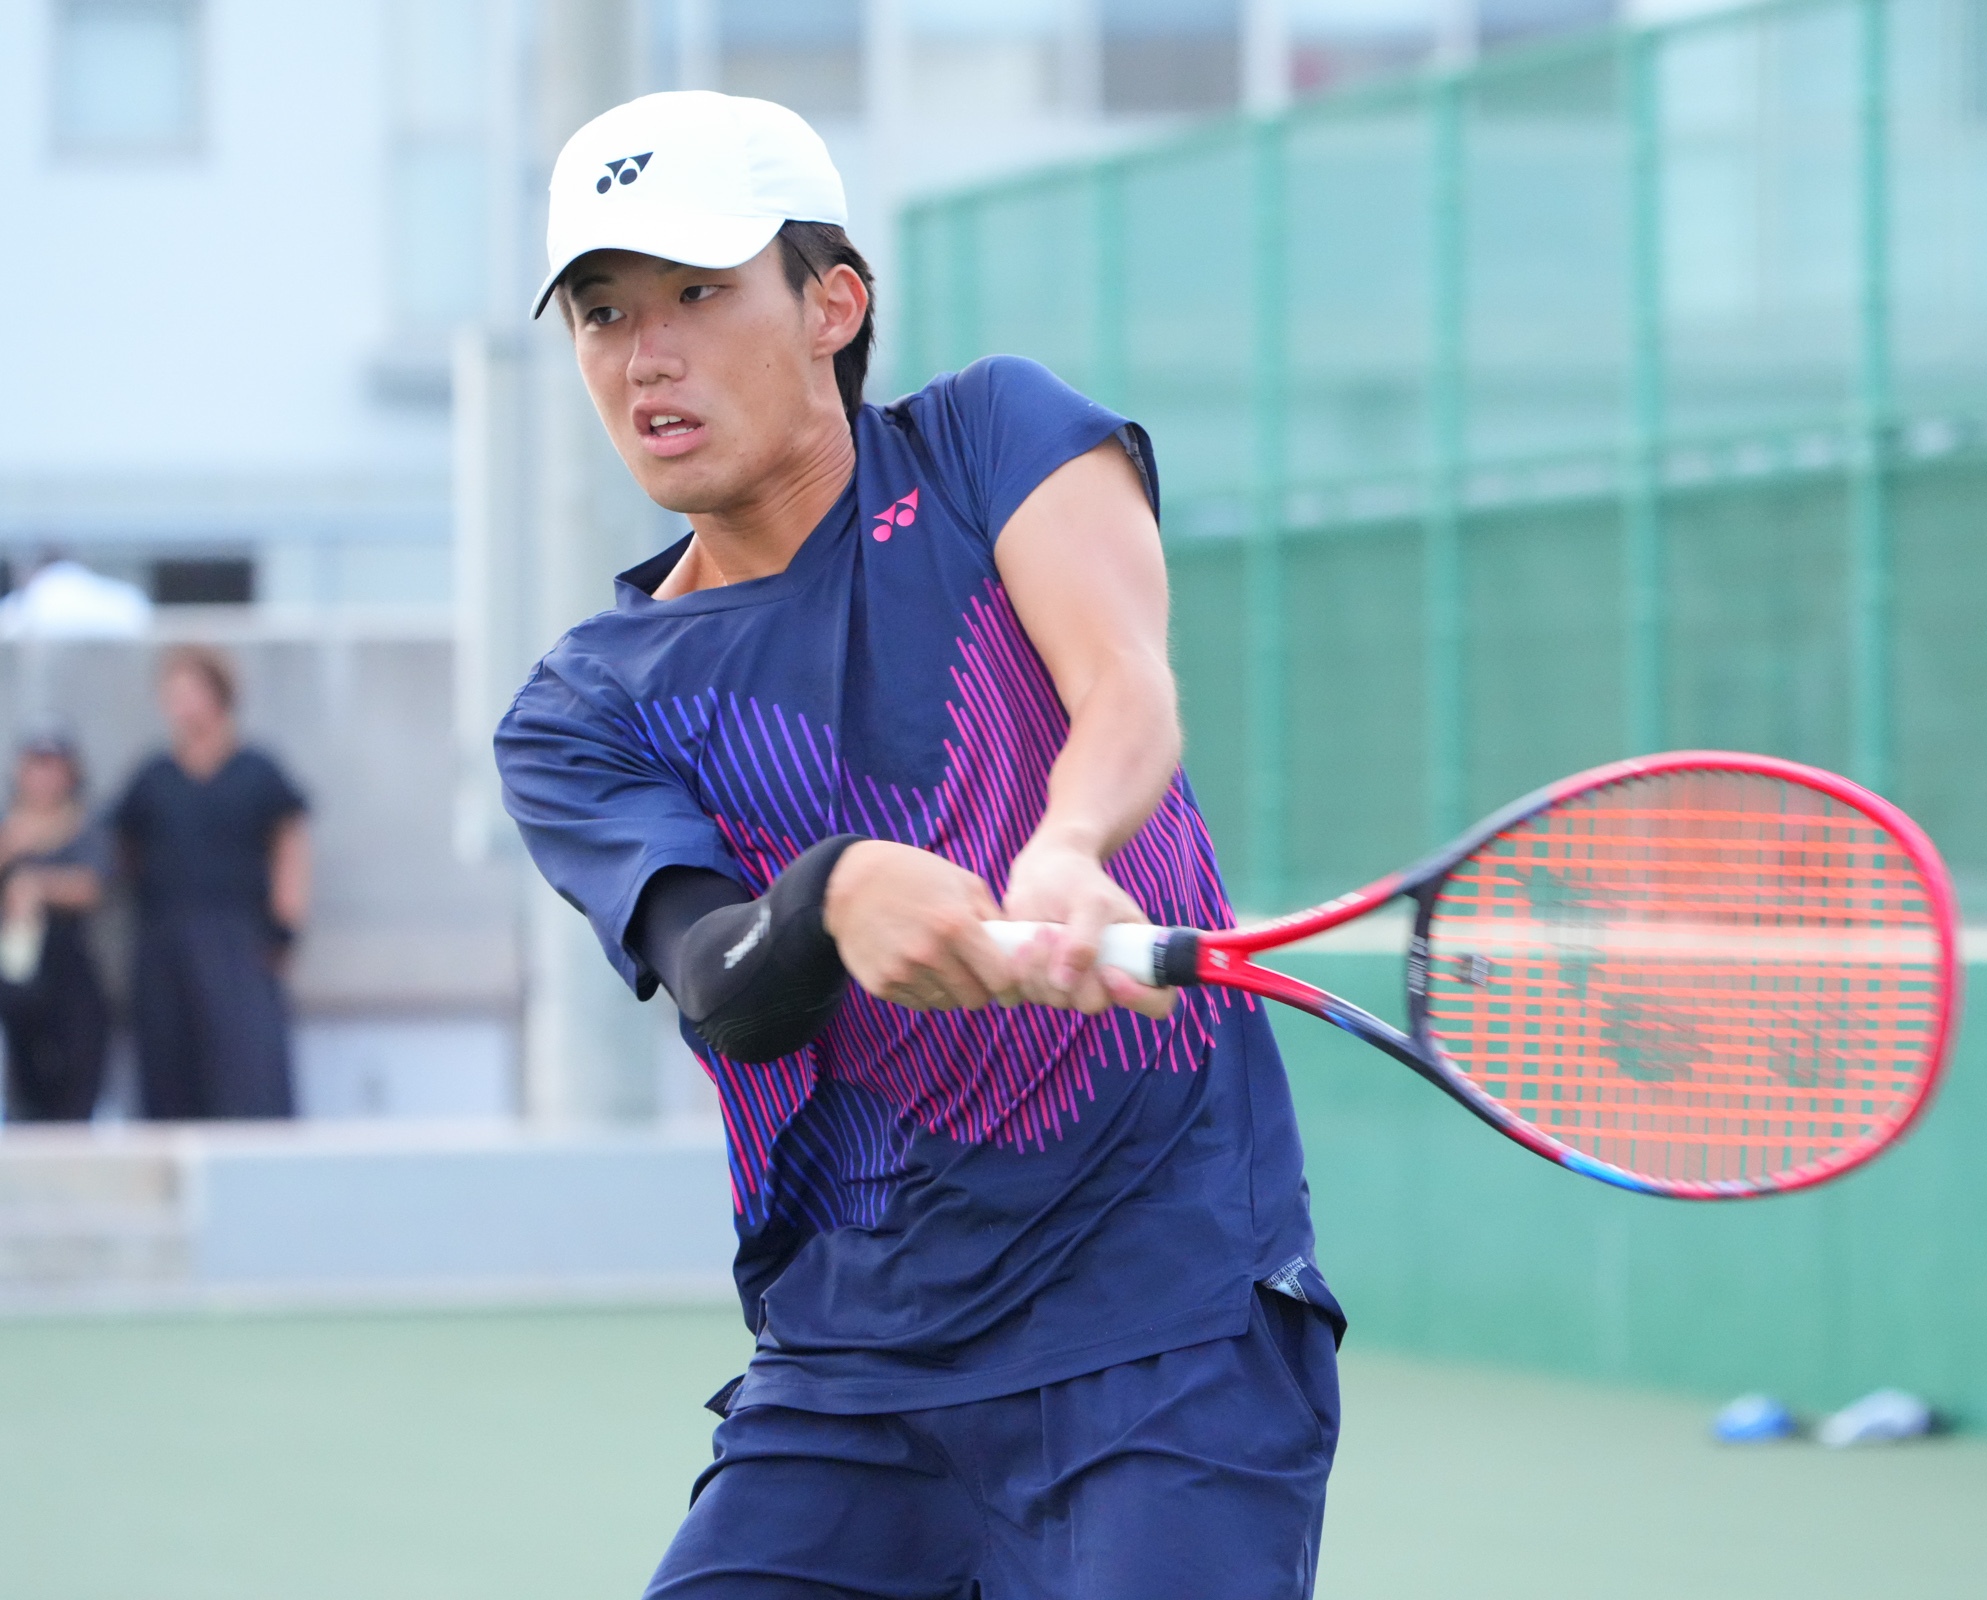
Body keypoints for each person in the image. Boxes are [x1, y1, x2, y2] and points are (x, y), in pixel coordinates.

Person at [496, 92, 1340, 1599]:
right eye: (604, 313)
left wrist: (1070, 844)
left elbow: (1125, 683)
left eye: (698, 294)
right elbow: (726, 984)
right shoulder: (583, 709)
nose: (646, 356)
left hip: (1168, 1330)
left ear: (833, 304)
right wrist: (832, 898)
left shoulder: (989, 440)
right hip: (846, 1372)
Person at [113, 646, 309, 1120]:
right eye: (171, 693)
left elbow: (291, 846)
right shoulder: (154, 776)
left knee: (246, 1075)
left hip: (238, 939)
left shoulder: (257, 770)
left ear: (218, 695)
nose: (179, 704)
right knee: (170, 1075)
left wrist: (286, 924)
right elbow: (122, 846)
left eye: (189, 691)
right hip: (166, 941)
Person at [0, 735, 110, 1121]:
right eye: (36, 765)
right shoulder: (9, 829)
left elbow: (93, 886)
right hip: (15, 979)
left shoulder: (86, 826)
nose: (44, 777)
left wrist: (38, 885)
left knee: (73, 1090)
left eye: (53, 766)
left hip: (70, 975)